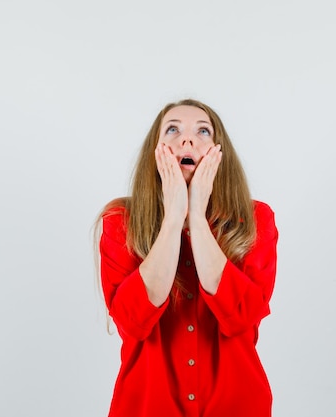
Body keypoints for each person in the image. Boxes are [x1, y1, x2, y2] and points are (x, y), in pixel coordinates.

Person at [96, 99, 278, 417]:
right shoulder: (119, 221)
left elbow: (242, 315)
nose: (187, 139)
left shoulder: (256, 219)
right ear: (155, 151)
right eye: (173, 129)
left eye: (202, 131)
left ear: (220, 154)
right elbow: (132, 320)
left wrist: (197, 215)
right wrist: (173, 216)